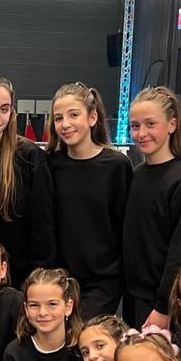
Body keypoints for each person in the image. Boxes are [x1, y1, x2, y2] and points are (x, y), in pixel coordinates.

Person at [46, 83, 132, 319]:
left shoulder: (116, 166)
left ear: (93, 117)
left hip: (103, 281)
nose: (65, 124)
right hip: (61, 279)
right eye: (58, 118)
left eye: (74, 115)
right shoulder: (50, 165)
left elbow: (125, 225)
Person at [123, 87, 181, 329]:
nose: (141, 133)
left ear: (171, 125)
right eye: (135, 126)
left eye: (150, 124)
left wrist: (164, 307)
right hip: (133, 296)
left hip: (161, 303)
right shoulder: (135, 175)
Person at [0, 75, 55, 286]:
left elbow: (43, 224)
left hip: (22, 276)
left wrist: (39, 278)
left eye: (4, 109)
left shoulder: (29, 156)